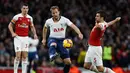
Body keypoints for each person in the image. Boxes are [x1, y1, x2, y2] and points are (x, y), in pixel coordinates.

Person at [42, 6, 83, 73]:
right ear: (51, 14)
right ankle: (52, 55)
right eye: (53, 13)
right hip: (52, 38)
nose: (55, 14)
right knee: (53, 44)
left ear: (59, 12)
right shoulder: (48, 21)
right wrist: (44, 39)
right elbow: (45, 29)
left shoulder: (65, 20)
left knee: (68, 62)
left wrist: (79, 33)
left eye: (56, 12)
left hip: (62, 42)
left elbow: (73, 26)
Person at [8, 3, 38, 73]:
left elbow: (32, 27)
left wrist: (35, 34)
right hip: (18, 38)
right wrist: (12, 33)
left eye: (26, 8)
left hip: (25, 38)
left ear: (28, 9)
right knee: (18, 56)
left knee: (25, 56)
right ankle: (15, 71)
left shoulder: (30, 18)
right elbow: (10, 26)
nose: (25, 10)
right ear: (21, 9)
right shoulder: (17, 17)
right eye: (24, 8)